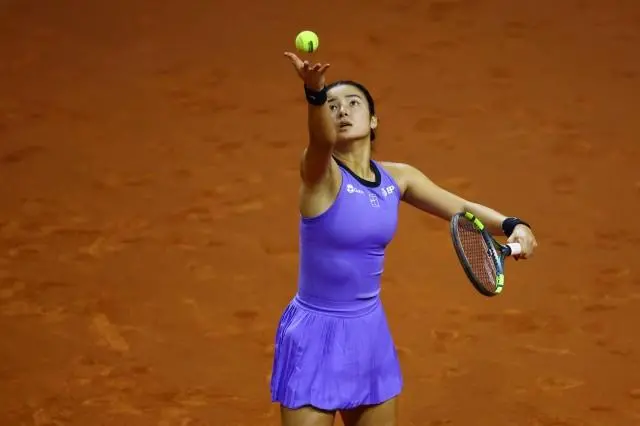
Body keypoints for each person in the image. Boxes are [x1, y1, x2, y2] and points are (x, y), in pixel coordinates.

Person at [270, 52, 538, 426]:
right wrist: (314, 95)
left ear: (373, 119)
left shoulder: (399, 178)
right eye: (332, 106)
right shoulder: (320, 174)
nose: (342, 110)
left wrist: (512, 224)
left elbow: (460, 208)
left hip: (368, 333)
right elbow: (319, 142)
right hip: (315, 335)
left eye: (353, 103)